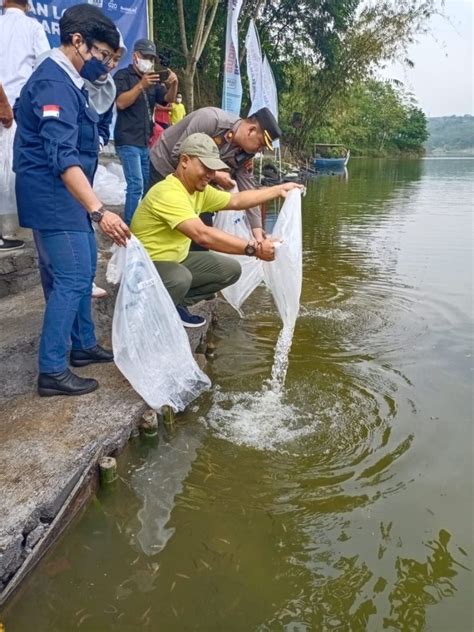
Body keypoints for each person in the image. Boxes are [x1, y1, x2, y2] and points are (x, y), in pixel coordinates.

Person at [13, 3, 131, 397]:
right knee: (74, 276)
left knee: (75, 271)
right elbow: (61, 157)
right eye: (101, 54)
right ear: (77, 41)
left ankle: (82, 346)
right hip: (54, 194)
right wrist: (99, 211)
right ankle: (52, 369)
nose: (104, 64)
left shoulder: (68, 81)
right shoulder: (53, 83)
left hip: (65, 194)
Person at [131, 133, 302, 328]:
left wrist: (278, 189)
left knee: (230, 270)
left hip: (174, 261)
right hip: (143, 268)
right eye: (205, 167)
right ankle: (149, 311)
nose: (210, 175)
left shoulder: (197, 190)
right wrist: (253, 249)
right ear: (185, 161)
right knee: (180, 278)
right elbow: (202, 236)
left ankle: (174, 305)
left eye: (213, 169)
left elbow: (236, 201)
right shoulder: (168, 192)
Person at [148, 106, 282, 243]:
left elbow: (248, 188)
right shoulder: (211, 120)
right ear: (251, 130)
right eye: (260, 144)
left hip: (197, 181)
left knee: (202, 231)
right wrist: (215, 175)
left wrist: (257, 231)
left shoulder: (246, 152)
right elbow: (179, 154)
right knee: (162, 228)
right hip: (164, 166)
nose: (259, 150)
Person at [0, 0, 50, 252]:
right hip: (19, 108)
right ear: (28, 4)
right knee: (14, 168)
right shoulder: (33, 28)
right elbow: (44, 69)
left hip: (8, 106)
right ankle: (12, 229)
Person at [113, 38, 178, 225]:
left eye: (152, 58)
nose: (149, 62)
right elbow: (120, 102)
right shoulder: (123, 77)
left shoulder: (153, 79)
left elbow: (167, 100)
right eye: (146, 57)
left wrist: (173, 84)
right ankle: (131, 227)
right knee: (136, 185)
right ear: (135, 56)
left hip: (145, 141)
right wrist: (141, 85)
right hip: (127, 139)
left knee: (146, 185)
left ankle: (142, 222)